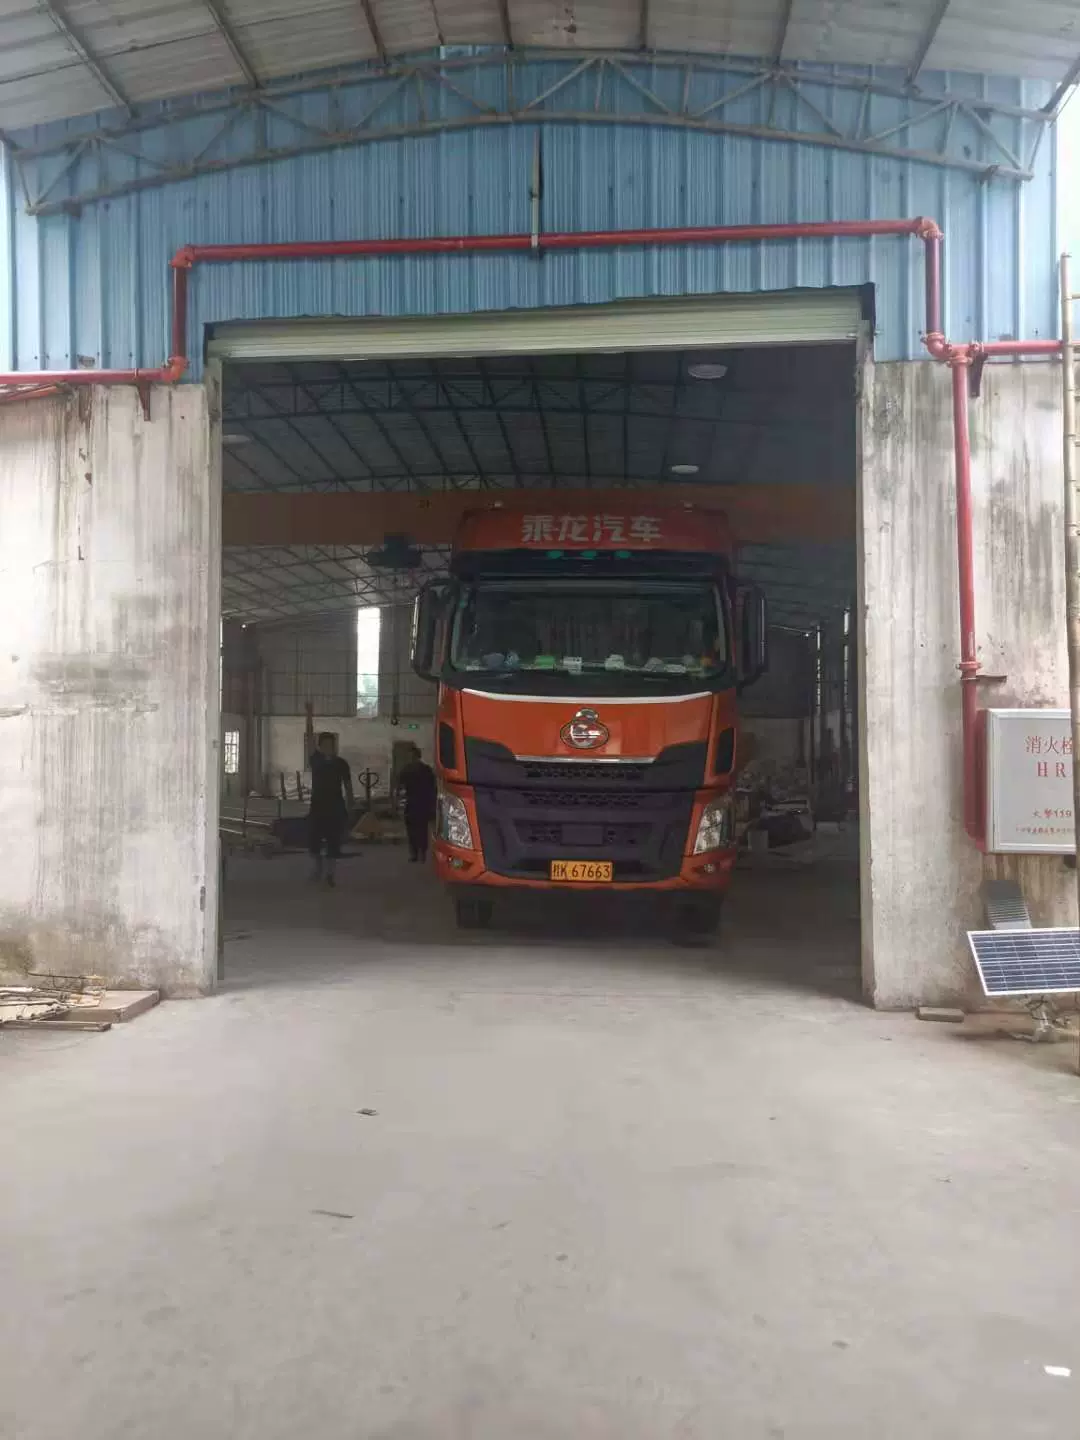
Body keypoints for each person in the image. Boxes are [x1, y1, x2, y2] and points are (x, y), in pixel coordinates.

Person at [304, 703, 354, 887]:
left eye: (330, 745)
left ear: (334, 746)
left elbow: (348, 785)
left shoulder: (341, 764)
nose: (328, 747)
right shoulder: (315, 760)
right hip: (318, 807)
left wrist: (350, 805)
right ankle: (318, 868)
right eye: (324, 744)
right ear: (320, 746)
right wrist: (309, 715)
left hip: (336, 808)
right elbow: (310, 737)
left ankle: (330, 875)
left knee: (334, 842)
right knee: (314, 842)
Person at [397, 743, 437, 863]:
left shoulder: (408, 769)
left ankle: (416, 853)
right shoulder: (425, 769)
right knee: (419, 829)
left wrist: (399, 801)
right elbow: (433, 788)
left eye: (411, 756)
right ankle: (420, 853)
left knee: (415, 829)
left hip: (415, 802)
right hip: (420, 802)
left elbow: (400, 787)